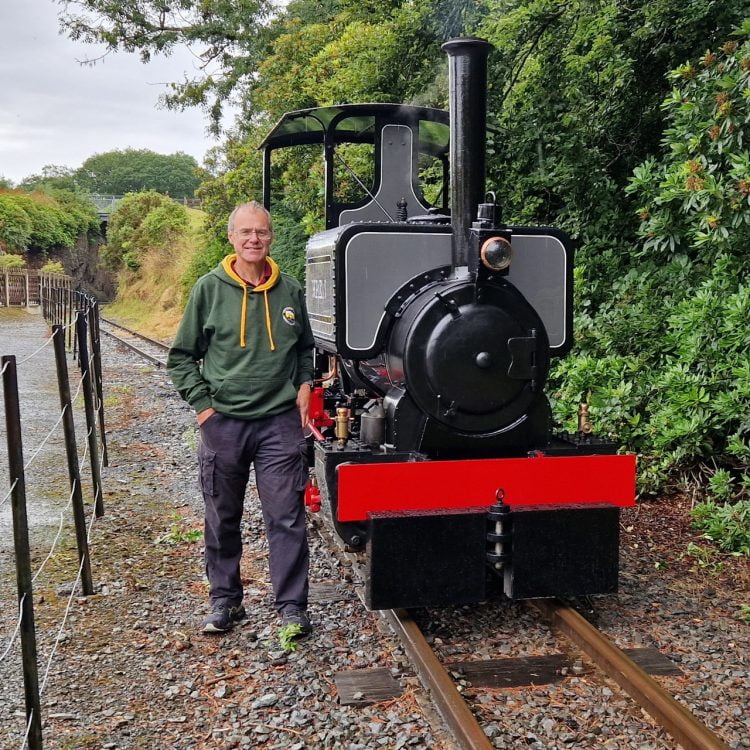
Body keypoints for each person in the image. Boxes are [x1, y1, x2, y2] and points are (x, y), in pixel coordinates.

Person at [167, 201, 315, 636]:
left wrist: (304, 384)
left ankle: (291, 607)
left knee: (286, 517)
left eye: (262, 233)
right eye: (246, 232)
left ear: (270, 238)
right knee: (222, 515)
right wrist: (204, 409)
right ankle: (225, 601)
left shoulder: (290, 290)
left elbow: (305, 347)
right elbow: (180, 358)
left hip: (278, 424)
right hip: (224, 424)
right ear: (231, 237)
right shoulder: (209, 290)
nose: (255, 239)